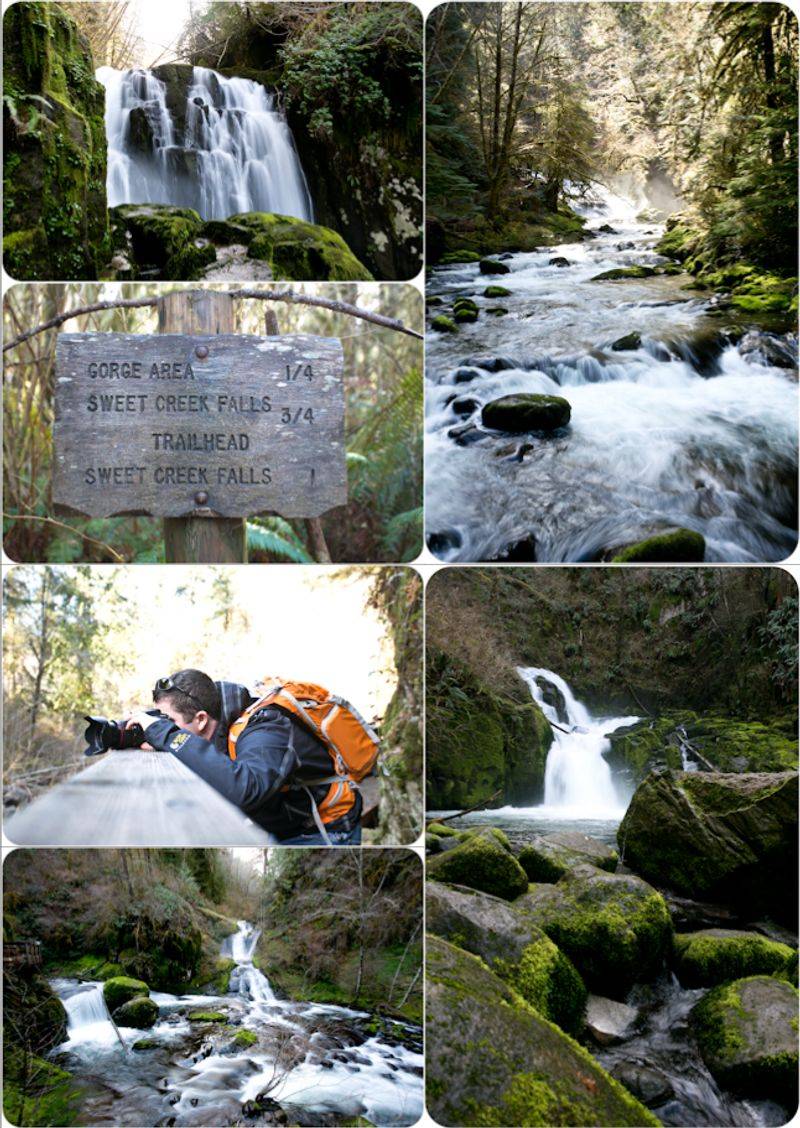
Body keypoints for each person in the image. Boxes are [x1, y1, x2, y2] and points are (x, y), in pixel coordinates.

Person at [126, 669, 362, 844]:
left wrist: (167, 735)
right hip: (284, 821)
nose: (165, 726)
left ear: (201, 719)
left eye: (169, 721)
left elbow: (246, 788)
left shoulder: (266, 727)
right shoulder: (217, 723)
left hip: (325, 828)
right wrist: (149, 737)